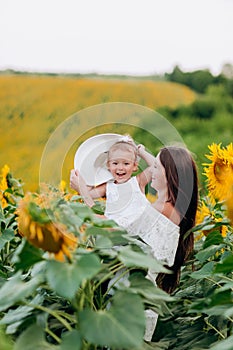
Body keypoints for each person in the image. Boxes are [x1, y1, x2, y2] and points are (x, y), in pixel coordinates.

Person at [70, 136, 153, 228]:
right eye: (115, 163)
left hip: (141, 229)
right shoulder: (107, 187)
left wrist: (141, 153)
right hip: (118, 233)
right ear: (108, 165)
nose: (120, 168)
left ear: (134, 166)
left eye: (126, 163)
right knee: (88, 218)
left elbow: (156, 167)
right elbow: (88, 194)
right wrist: (87, 175)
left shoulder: (138, 182)